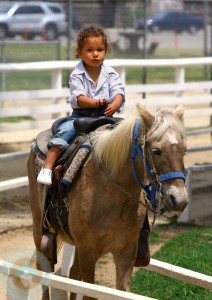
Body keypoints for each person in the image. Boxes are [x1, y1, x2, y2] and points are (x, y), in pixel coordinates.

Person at [37, 26, 125, 185]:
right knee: (67, 131)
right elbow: (79, 97)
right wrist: (94, 102)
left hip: (105, 115)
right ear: (79, 52)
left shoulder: (110, 73)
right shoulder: (77, 74)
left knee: (127, 133)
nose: (95, 54)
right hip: (82, 116)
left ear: (106, 51)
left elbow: (118, 91)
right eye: (90, 50)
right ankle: (48, 166)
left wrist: (115, 103)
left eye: (100, 49)